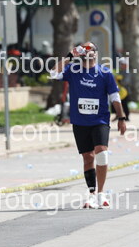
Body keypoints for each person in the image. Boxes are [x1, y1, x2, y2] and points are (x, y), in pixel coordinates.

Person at [51, 42, 127, 208]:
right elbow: (53, 73)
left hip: (100, 120)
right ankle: (91, 193)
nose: (88, 52)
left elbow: (114, 96)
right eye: (85, 49)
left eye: (91, 49)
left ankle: (101, 193)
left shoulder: (105, 73)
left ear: (96, 54)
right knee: (88, 157)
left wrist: (121, 117)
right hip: (80, 121)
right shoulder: (73, 70)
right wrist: (70, 56)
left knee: (102, 153)